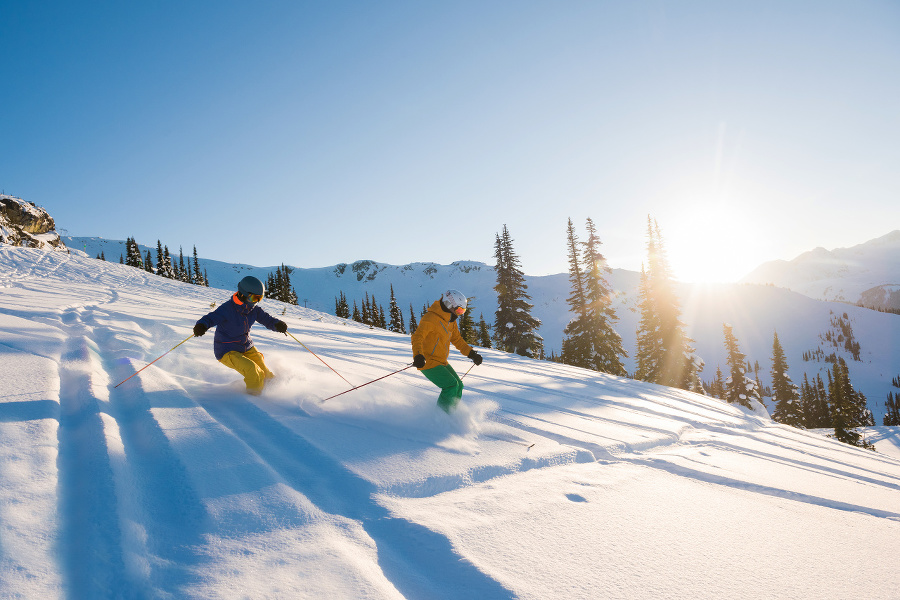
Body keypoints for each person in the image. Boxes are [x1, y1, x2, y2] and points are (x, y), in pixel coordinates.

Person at [193, 275, 288, 395]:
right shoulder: (227, 309)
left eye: (260, 298)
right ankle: (254, 401)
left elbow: (267, 319)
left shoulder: (253, 310)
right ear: (243, 294)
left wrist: (277, 324)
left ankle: (275, 393)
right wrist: (201, 325)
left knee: (265, 373)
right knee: (253, 371)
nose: (257, 302)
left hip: (246, 346)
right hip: (227, 350)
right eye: (254, 298)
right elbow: (210, 318)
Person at [411, 289, 483, 413]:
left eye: (463, 311)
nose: (460, 314)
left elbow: (457, 340)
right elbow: (418, 337)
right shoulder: (431, 318)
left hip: (441, 361)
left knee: (459, 385)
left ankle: (451, 413)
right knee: (451, 386)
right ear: (450, 304)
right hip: (427, 362)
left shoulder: (450, 321)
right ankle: (440, 418)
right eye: (459, 310)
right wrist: (418, 355)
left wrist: (471, 353)